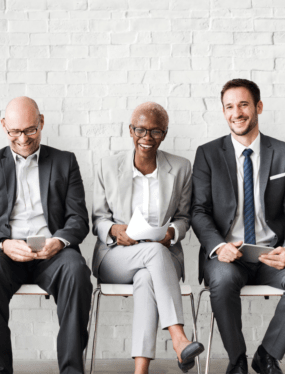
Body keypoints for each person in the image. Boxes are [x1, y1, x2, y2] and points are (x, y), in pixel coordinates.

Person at [191, 79, 285, 374]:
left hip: (270, 256)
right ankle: (237, 360)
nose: (237, 112)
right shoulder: (208, 154)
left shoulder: (283, 153)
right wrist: (218, 246)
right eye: (229, 107)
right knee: (222, 281)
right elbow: (198, 211)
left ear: (258, 107)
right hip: (228, 255)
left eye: (244, 104)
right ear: (224, 112)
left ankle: (267, 354)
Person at [0, 96, 92, 374]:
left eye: (30, 130)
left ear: (42, 122)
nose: (23, 138)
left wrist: (58, 241)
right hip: (5, 251)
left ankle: (72, 370)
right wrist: (3, 243)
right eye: (15, 131)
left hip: (52, 250)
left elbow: (78, 218)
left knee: (77, 272)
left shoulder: (65, 161)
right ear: (4, 126)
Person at [92, 102, 204, 374]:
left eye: (155, 131)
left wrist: (171, 232)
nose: (147, 137)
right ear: (130, 131)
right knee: (153, 254)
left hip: (162, 259)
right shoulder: (108, 166)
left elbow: (184, 217)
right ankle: (179, 339)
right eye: (140, 130)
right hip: (116, 257)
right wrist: (114, 230)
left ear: (164, 134)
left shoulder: (180, 168)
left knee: (146, 277)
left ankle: (140, 370)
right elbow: (98, 218)